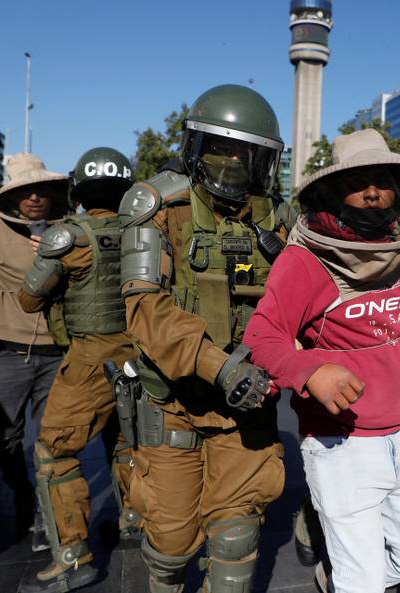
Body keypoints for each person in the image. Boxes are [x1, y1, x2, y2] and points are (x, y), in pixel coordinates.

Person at [244, 128, 400, 593]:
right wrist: (311, 369)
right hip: (340, 444)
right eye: (358, 182)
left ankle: (340, 579)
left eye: (384, 181)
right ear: (332, 191)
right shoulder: (306, 261)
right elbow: (261, 337)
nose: (373, 193)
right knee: (363, 582)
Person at [119, 84, 283, 593]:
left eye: (246, 154)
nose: (232, 164)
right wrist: (223, 367)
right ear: (195, 148)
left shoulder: (278, 217)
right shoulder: (157, 206)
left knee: (235, 539)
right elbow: (147, 311)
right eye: (221, 150)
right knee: (169, 546)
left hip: (247, 410)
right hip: (172, 404)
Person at [17, 147, 138, 592]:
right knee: (126, 440)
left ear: (79, 191)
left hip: (89, 357)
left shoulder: (67, 238)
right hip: (138, 351)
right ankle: (134, 521)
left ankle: (72, 557)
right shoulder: (144, 232)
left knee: (54, 451)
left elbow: (28, 299)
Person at [0, 153, 71, 536]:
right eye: (26, 191)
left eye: (40, 189)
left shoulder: (69, 227)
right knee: (4, 437)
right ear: (11, 196)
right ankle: (22, 493)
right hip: (8, 351)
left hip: (58, 350)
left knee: (53, 438)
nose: (34, 198)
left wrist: (61, 256)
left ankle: (47, 509)